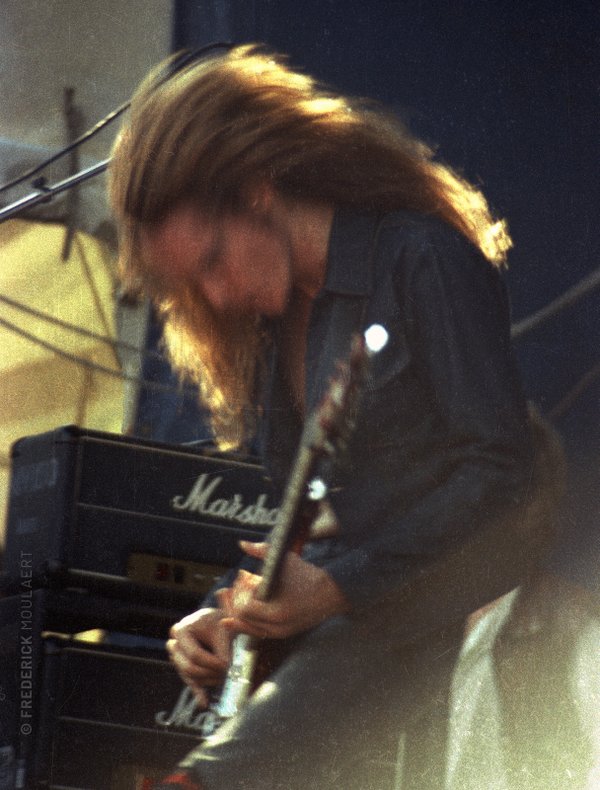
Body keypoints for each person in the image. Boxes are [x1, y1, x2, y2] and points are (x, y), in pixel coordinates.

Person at [109, 44, 562, 790]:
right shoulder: (271, 330)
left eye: (215, 258)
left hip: (454, 580)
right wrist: (226, 611)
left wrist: (342, 587)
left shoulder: (421, 259)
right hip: (362, 608)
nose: (215, 296)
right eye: (195, 282)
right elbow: (309, 520)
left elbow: (502, 469)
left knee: (333, 661)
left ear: (258, 191)